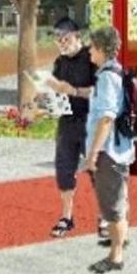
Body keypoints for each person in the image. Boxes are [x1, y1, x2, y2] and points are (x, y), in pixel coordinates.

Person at [80, 26, 134, 273]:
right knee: (117, 199)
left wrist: (93, 154)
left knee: (112, 206)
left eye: (92, 47)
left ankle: (115, 256)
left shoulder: (107, 77)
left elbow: (106, 118)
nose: (89, 51)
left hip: (109, 152)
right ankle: (120, 240)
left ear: (101, 49)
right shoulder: (115, 72)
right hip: (118, 150)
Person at [40, 17, 95, 239]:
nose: (62, 43)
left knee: (97, 171)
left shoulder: (92, 58)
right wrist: (45, 100)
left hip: (90, 122)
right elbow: (55, 90)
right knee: (64, 170)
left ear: (77, 36)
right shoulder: (59, 63)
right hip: (66, 122)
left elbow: (101, 92)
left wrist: (74, 91)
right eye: (58, 39)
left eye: (65, 38)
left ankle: (107, 216)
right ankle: (67, 216)